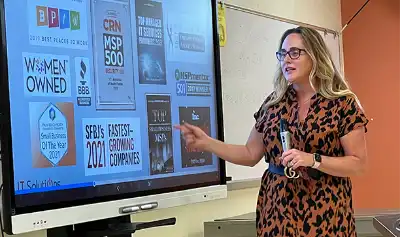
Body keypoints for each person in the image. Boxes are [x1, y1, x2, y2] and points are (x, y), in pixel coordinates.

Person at [175, 26, 368, 237]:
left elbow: (357, 163)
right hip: (278, 209)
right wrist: (208, 143)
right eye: (282, 54)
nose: (286, 60)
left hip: (326, 210)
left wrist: (312, 159)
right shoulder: (274, 104)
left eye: (295, 53)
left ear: (315, 56)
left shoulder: (341, 103)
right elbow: (250, 154)